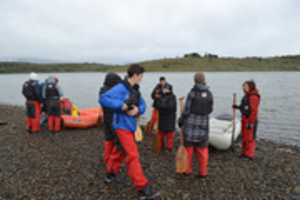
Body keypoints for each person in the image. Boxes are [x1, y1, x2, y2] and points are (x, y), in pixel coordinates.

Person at [100, 64, 159, 200]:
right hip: (121, 127)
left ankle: (110, 173)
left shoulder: (135, 90)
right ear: (136, 75)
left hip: (130, 126)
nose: (142, 79)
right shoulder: (120, 88)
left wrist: (138, 110)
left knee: (120, 152)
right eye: (141, 76)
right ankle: (142, 188)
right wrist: (122, 106)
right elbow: (103, 98)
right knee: (133, 156)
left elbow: (143, 104)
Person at [178, 72, 213, 177]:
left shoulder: (192, 93)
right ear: (204, 80)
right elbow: (211, 109)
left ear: (195, 80)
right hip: (204, 126)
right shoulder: (209, 93)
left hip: (190, 127)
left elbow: (187, 110)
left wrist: (181, 120)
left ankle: (187, 170)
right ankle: (203, 172)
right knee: (202, 150)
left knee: (188, 149)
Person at [98, 73, 122, 171]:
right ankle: (112, 165)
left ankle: (106, 158)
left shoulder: (102, 90)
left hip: (107, 119)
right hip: (114, 120)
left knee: (109, 139)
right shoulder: (112, 92)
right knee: (118, 143)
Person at [233, 80, 260, 160]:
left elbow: (254, 111)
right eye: (243, 86)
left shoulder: (253, 96)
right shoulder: (246, 96)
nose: (243, 88)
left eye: (245, 86)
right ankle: (244, 153)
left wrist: (251, 123)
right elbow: (244, 107)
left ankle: (249, 155)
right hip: (245, 118)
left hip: (250, 120)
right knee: (244, 137)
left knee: (250, 138)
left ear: (250, 87)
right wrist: (237, 107)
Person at [155, 87, 177, 152]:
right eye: (164, 89)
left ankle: (169, 148)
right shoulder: (161, 96)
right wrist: (157, 98)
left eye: (166, 89)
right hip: (163, 117)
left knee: (169, 134)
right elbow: (156, 105)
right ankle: (161, 146)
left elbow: (171, 107)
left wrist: (160, 104)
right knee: (161, 133)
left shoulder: (172, 97)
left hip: (170, 117)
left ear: (170, 90)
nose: (164, 90)